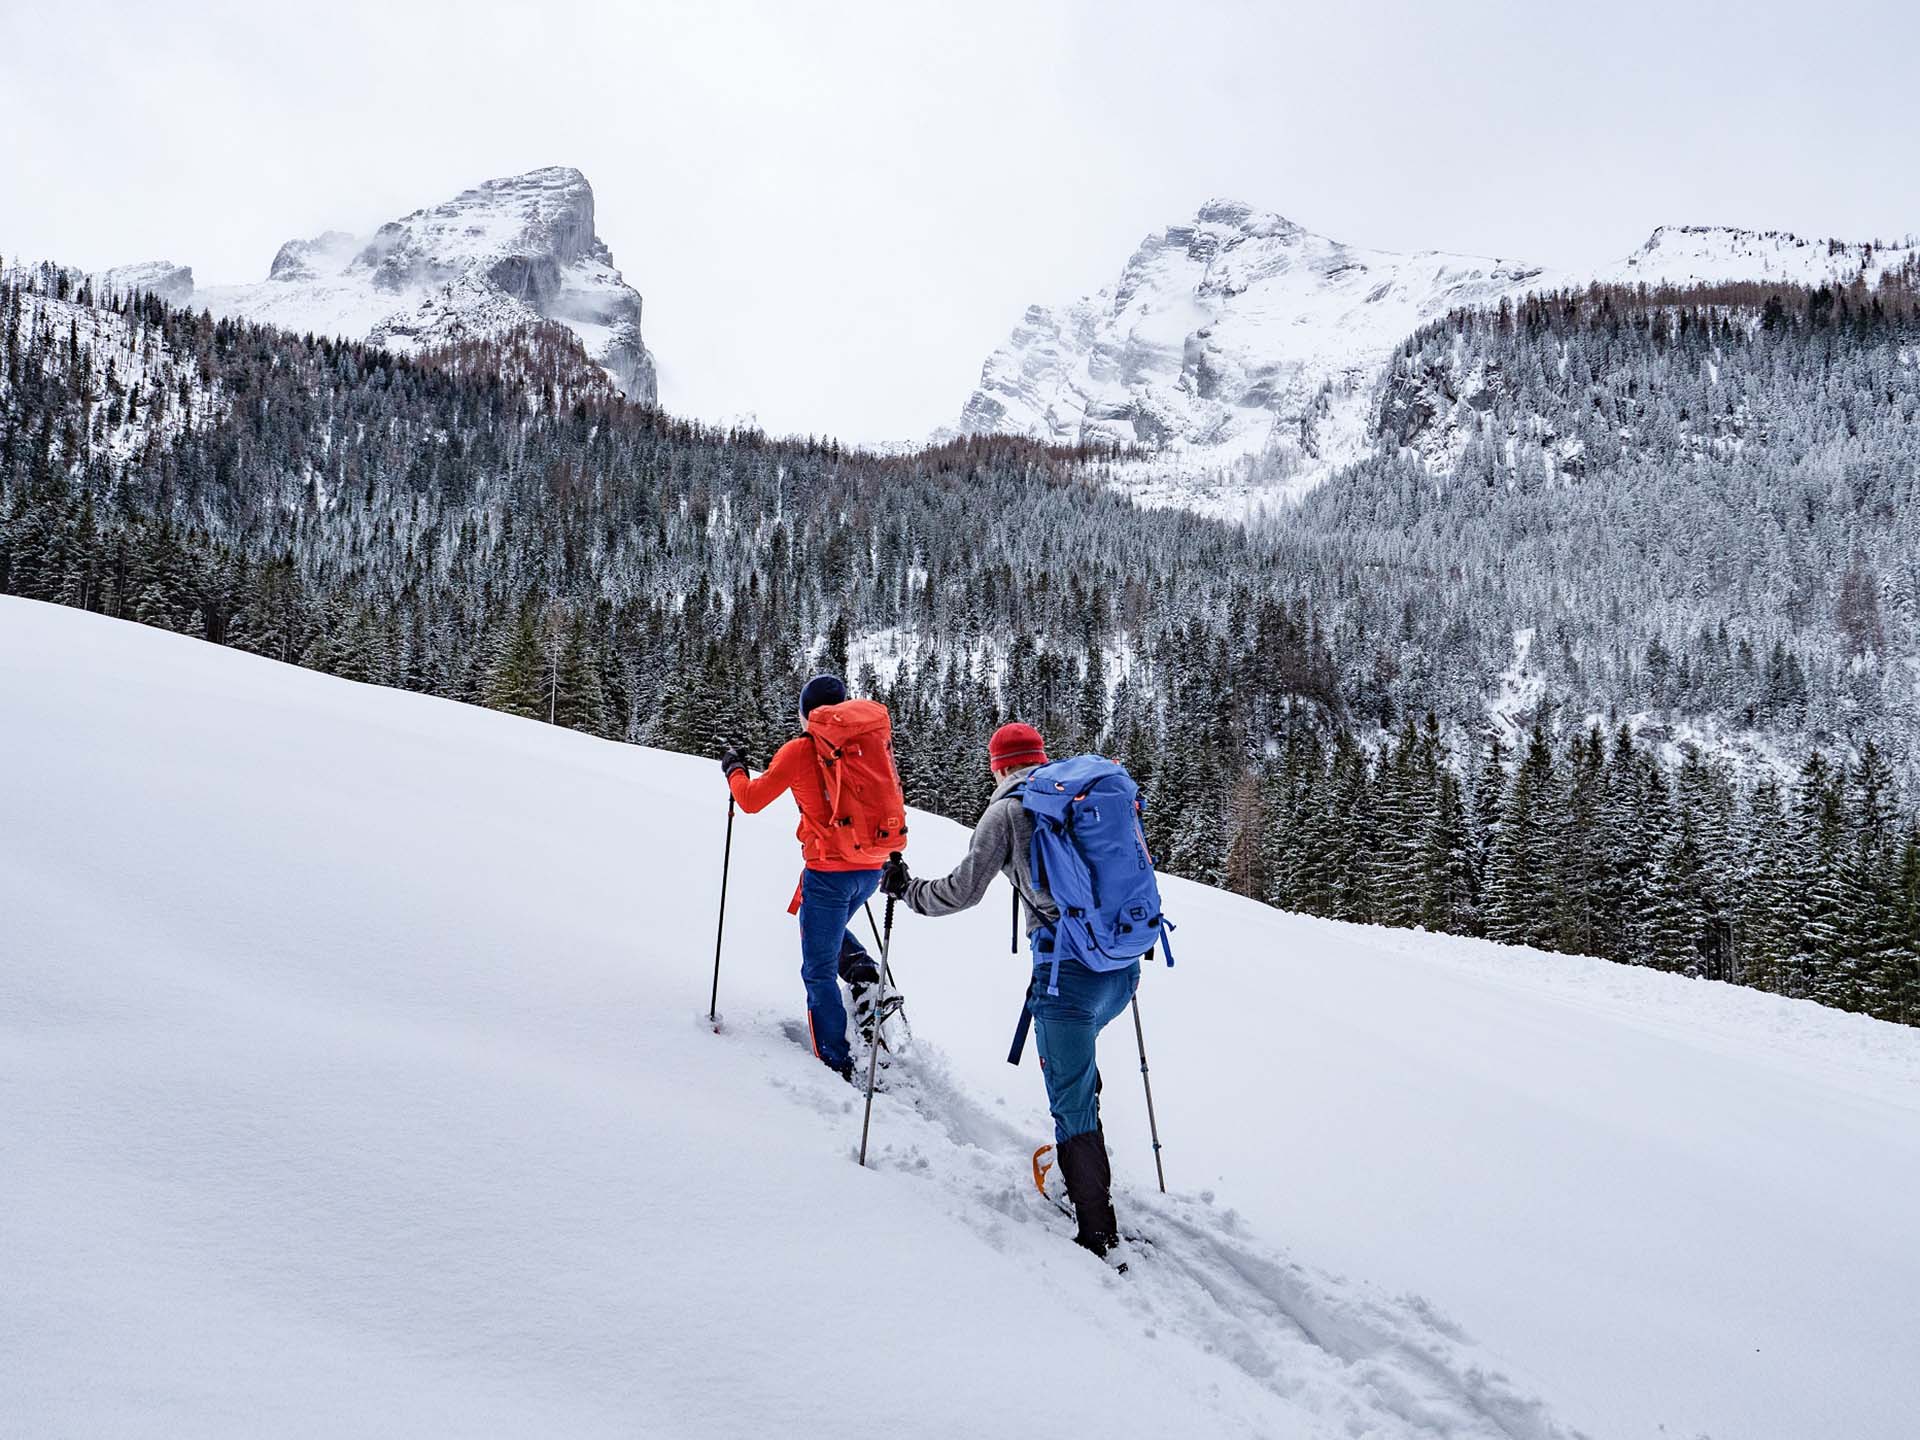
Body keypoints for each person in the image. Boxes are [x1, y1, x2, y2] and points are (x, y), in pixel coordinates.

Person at [880, 722, 1133, 1257]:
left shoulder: (1006, 813)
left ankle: (1098, 1232)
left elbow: (960, 892)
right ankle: (1083, 1172)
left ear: (997, 766)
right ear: (1041, 758)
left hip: (1067, 978)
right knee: (1079, 1079)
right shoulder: (1085, 795)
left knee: (1072, 1101)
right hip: (1124, 965)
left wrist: (907, 890)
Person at [719, 674, 888, 1083]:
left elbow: (751, 800)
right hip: (873, 867)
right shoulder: (866, 745)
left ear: (806, 714)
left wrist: (734, 770)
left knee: (817, 969)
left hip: (829, 872)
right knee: (818, 927)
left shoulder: (800, 750)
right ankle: (864, 976)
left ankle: (835, 1061)